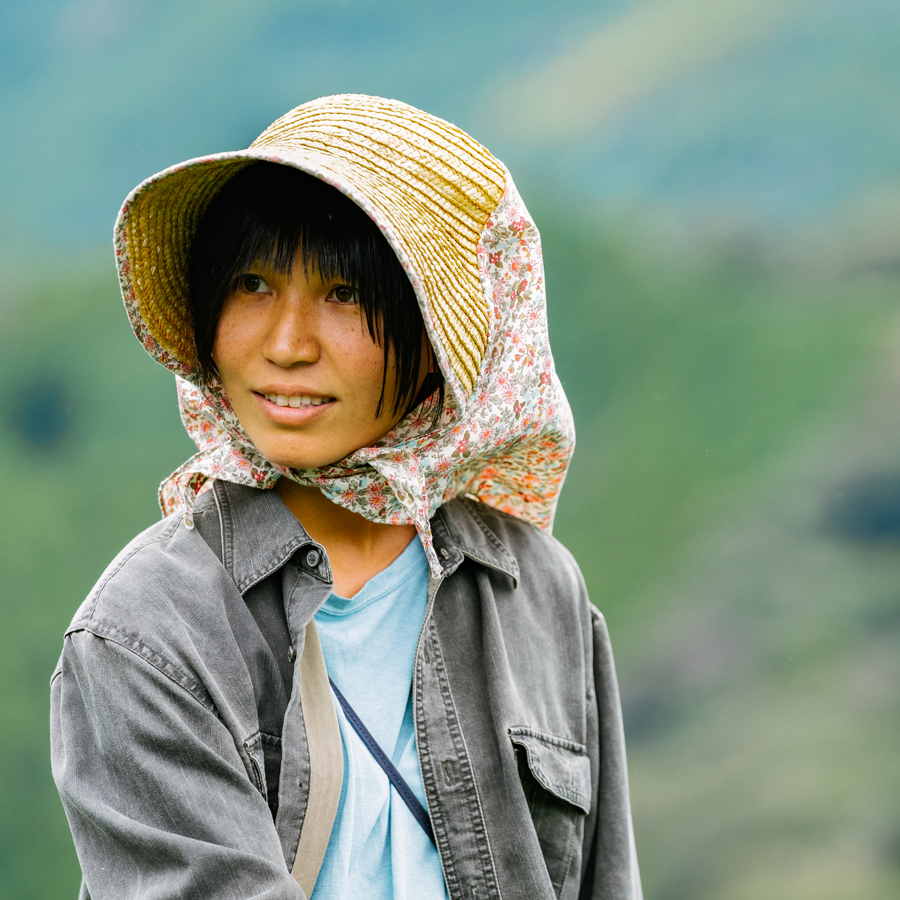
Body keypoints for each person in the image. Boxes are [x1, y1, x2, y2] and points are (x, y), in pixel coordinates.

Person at [50, 94, 642, 900]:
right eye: (252, 284)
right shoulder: (146, 632)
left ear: (441, 348)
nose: (287, 344)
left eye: (346, 295)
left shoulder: (535, 592)